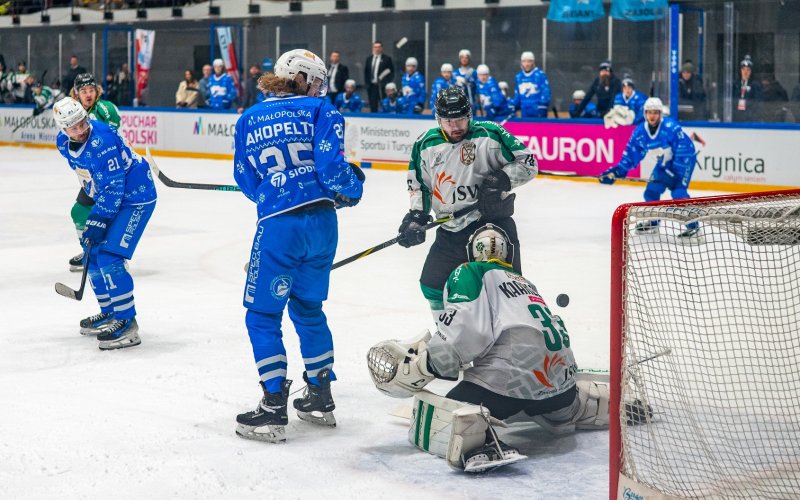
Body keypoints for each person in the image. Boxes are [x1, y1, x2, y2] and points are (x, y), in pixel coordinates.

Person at [366, 224, 611, 472]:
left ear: (472, 251)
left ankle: (482, 443)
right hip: (561, 387)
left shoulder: (469, 271)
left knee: (446, 415)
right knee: (554, 401)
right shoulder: (525, 281)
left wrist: (427, 364)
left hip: (510, 385)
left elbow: (464, 330)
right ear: (508, 253)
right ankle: (591, 404)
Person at [233, 49, 365, 443]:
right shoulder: (322, 110)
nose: (320, 88)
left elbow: (244, 178)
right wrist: (351, 187)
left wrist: (271, 194)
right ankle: (320, 395)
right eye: (317, 80)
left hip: (280, 227)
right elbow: (330, 170)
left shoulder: (249, 117)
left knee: (261, 316)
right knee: (308, 308)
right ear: (303, 79)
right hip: (323, 225)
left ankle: (273, 408)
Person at [397, 86, 536, 325]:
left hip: (491, 226)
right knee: (431, 285)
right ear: (438, 119)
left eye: (460, 118)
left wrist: (502, 179)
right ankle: (449, 339)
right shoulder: (425, 145)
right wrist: (416, 216)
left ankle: (513, 342)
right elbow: (420, 185)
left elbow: (528, 162)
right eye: (448, 120)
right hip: (450, 229)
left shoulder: (489, 134)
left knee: (506, 289)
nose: (455, 126)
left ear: (470, 114)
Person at [52, 96, 156, 350]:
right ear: (63, 129)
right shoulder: (63, 143)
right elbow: (89, 177)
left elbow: (114, 185)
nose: (80, 129)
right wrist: (94, 210)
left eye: (82, 122)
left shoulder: (102, 141)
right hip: (112, 197)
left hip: (136, 197)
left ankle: (127, 322)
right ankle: (110, 312)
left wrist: (99, 219)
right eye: (73, 127)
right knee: (94, 252)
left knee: (110, 255)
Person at [599, 97, 699, 238]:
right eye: (649, 112)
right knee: (652, 191)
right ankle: (653, 222)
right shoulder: (640, 133)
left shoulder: (671, 128)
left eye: (655, 112)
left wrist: (676, 172)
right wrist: (616, 172)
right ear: (645, 114)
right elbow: (631, 155)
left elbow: (686, 149)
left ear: (660, 114)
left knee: (678, 193)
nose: (652, 116)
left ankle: (693, 227)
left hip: (684, 161)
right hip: (664, 163)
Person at [67, 73, 122, 273]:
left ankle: (111, 255)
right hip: (91, 176)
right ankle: (89, 252)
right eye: (83, 91)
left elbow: (111, 139)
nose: (88, 94)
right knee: (79, 212)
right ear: (76, 93)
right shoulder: (73, 111)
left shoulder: (105, 108)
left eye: (91, 90)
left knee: (106, 215)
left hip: (111, 174)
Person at [512, 51, 550, 119]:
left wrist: (542, 106)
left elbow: (545, 91)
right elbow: (517, 94)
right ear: (521, 62)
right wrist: (514, 106)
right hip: (524, 110)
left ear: (533, 62)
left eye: (529, 61)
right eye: (524, 61)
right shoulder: (519, 76)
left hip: (538, 110)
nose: (527, 64)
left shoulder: (540, 74)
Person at [364, 41, 394, 113]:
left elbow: (391, 71)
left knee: (384, 103)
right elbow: (366, 72)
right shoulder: (369, 59)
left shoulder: (387, 59)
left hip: (382, 86)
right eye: (375, 47)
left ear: (382, 48)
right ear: (373, 48)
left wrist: (386, 84)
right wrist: (367, 84)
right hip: (372, 86)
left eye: (379, 47)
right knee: (373, 104)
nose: (377, 49)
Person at [733, 56, 762, 122]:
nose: (745, 72)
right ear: (740, 71)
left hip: (750, 120)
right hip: (736, 119)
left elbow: (758, 104)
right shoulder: (735, 84)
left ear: (751, 72)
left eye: (748, 70)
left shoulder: (755, 85)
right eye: (743, 69)